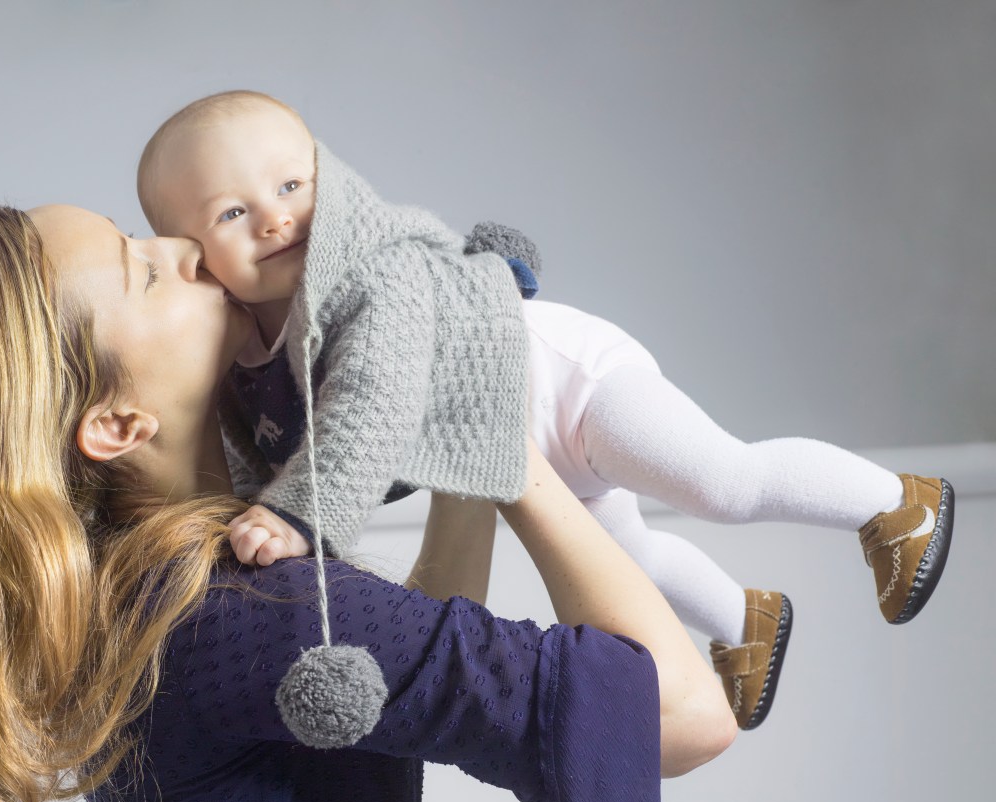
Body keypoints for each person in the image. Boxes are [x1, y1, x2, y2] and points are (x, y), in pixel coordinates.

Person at [0, 203, 733, 802]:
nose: (184, 248)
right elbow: (684, 717)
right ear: (115, 422)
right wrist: (512, 442)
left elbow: (409, 641)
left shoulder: (150, 598)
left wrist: (462, 431)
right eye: (144, 272)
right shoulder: (242, 610)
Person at [135, 89, 956, 732]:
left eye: (290, 184)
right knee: (626, 564)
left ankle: (895, 504)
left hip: (560, 379)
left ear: (329, 179)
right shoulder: (245, 355)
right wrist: (238, 519)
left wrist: (300, 517)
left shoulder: (377, 276)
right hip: (509, 448)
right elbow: (256, 454)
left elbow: (369, 407)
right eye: (232, 213)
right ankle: (747, 620)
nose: (276, 216)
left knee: (722, 483)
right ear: (188, 256)